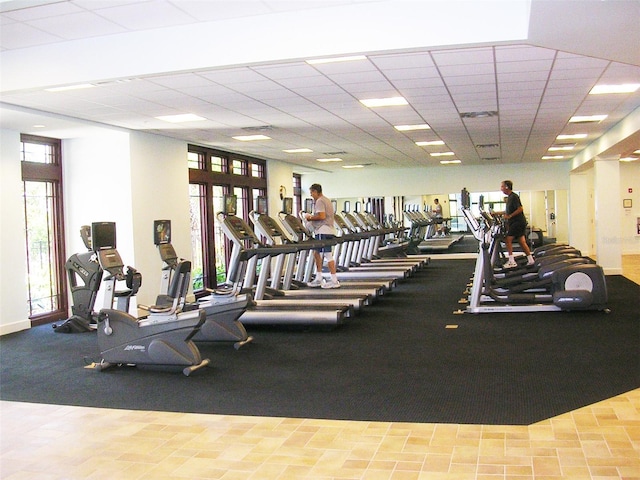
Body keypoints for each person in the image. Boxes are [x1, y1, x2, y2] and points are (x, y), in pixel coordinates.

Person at [305, 183, 340, 289]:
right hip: (328, 229)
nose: (311, 195)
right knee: (317, 253)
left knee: (325, 255)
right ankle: (319, 278)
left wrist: (309, 217)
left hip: (322, 230)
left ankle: (333, 280)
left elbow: (321, 216)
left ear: (316, 191)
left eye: (312, 192)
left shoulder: (320, 201)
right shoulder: (327, 200)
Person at [500, 180, 535, 268]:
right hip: (519, 222)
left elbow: (520, 209)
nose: (501, 189)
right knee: (521, 242)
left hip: (517, 222)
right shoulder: (510, 198)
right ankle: (530, 260)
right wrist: (496, 213)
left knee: (508, 240)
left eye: (502, 186)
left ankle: (512, 261)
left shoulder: (513, 197)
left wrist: (510, 216)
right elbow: (507, 212)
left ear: (507, 187)